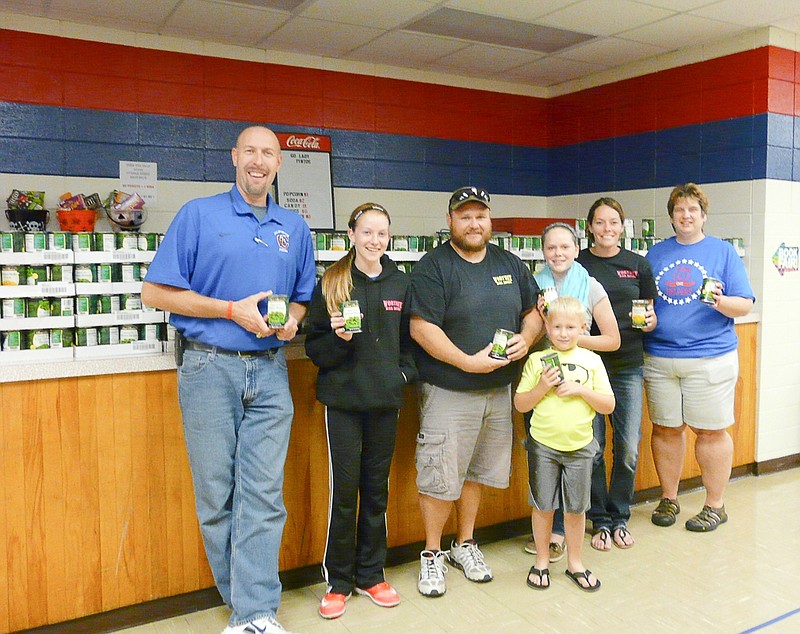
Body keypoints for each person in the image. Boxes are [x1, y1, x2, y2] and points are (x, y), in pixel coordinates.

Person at [141, 126, 316, 634]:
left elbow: (302, 295)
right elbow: (155, 292)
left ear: (279, 164)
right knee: (217, 495)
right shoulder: (199, 215)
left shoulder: (294, 226)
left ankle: (255, 614)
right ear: (235, 157)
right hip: (207, 367)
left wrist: (293, 321)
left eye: (270, 154)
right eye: (251, 152)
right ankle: (243, 604)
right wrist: (228, 310)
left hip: (269, 370)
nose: (259, 161)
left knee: (263, 495)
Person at [408, 186, 543, 597]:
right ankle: (431, 554)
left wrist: (526, 338)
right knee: (439, 474)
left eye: (480, 215)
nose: (473, 223)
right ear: (450, 220)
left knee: (474, 473)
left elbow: (535, 310)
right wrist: (466, 361)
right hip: (450, 389)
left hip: (498, 390)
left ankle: (464, 544)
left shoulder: (509, 262)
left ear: (490, 220)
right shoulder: (434, 266)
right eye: (464, 216)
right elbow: (421, 327)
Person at [304, 203, 417, 620]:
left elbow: (412, 342)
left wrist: (402, 375)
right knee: (345, 493)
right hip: (344, 404)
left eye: (382, 233)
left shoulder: (401, 283)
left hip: (385, 402)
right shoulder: (333, 282)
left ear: (389, 238)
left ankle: (371, 574)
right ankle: (338, 581)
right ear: (351, 234)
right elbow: (316, 348)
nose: (374, 241)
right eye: (367, 232)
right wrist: (339, 341)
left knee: (376, 490)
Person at [644, 183, 754, 532]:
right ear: (672, 217)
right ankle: (669, 497)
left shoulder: (722, 253)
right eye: (679, 210)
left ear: (703, 215)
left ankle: (715, 505)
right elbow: (645, 303)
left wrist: (720, 302)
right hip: (659, 357)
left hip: (709, 358)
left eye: (692, 209)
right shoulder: (655, 254)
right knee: (665, 429)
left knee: (710, 432)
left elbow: (746, 303)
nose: (686, 215)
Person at [524, 222, 620, 560]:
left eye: (565, 247)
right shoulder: (532, 285)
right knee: (544, 459)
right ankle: (549, 533)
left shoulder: (590, 286)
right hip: (543, 381)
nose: (558, 253)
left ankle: (571, 530)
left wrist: (570, 340)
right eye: (551, 248)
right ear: (543, 251)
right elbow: (527, 337)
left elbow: (612, 339)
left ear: (577, 249)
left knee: (583, 458)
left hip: (581, 384)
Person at [515, 296, 615, 592]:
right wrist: (543, 386)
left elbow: (608, 405)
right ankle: (543, 561)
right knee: (543, 506)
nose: (563, 333)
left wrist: (582, 390)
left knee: (575, 509)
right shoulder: (536, 361)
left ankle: (575, 563)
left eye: (571, 327)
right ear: (546, 328)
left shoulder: (592, 361)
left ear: (583, 328)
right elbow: (521, 404)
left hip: (581, 447)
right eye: (556, 326)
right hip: (543, 446)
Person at [577, 198, 657, 551]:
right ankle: (600, 520)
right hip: (589, 366)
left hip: (627, 365)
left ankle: (620, 514)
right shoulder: (579, 263)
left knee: (627, 447)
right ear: (590, 227)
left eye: (613, 222)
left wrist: (652, 322)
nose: (606, 229)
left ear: (623, 226)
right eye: (599, 223)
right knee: (593, 448)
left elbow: (650, 312)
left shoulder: (638, 265)